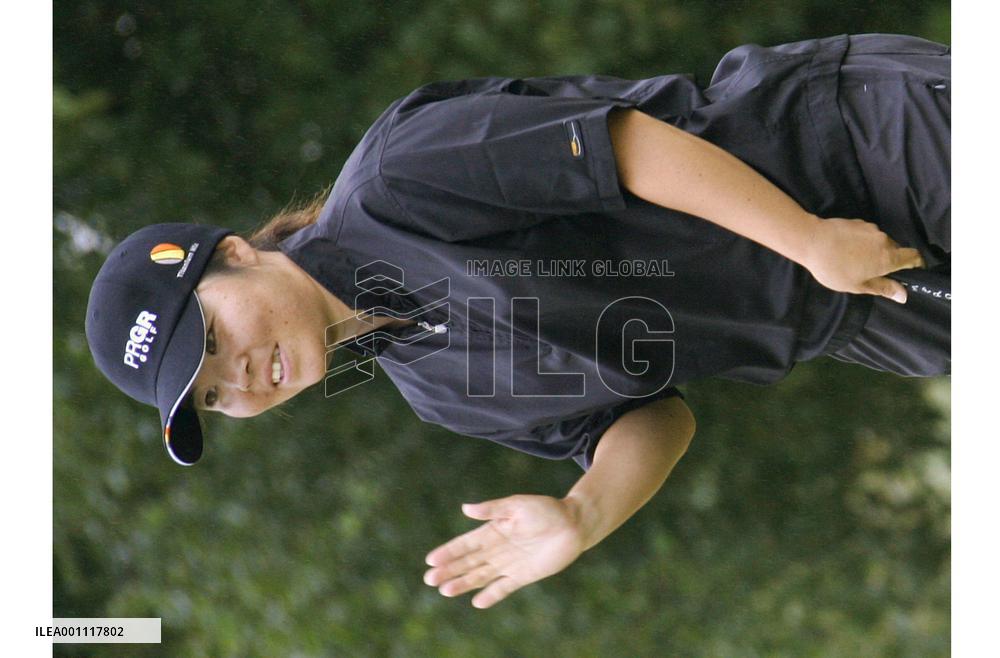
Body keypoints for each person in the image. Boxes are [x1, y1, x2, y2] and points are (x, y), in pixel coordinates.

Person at [85, 33, 949, 609]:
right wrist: (583, 513)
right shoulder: (439, 393)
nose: (235, 377)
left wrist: (806, 239)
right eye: (211, 396)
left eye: (212, 340)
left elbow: (628, 146)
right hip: (846, 318)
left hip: (851, 149)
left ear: (234, 251)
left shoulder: (397, 178)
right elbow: (650, 412)